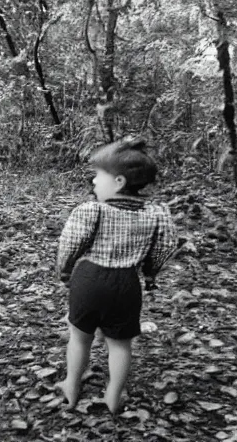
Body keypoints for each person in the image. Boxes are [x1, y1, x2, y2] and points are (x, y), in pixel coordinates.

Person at [55, 136, 177, 414]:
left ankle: (71, 386)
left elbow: (69, 245)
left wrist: (64, 271)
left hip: (90, 279)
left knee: (79, 336)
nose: (94, 183)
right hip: (127, 283)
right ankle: (113, 396)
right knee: (120, 345)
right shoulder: (157, 213)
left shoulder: (91, 210)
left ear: (119, 182)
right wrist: (150, 273)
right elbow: (165, 247)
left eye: (98, 176)